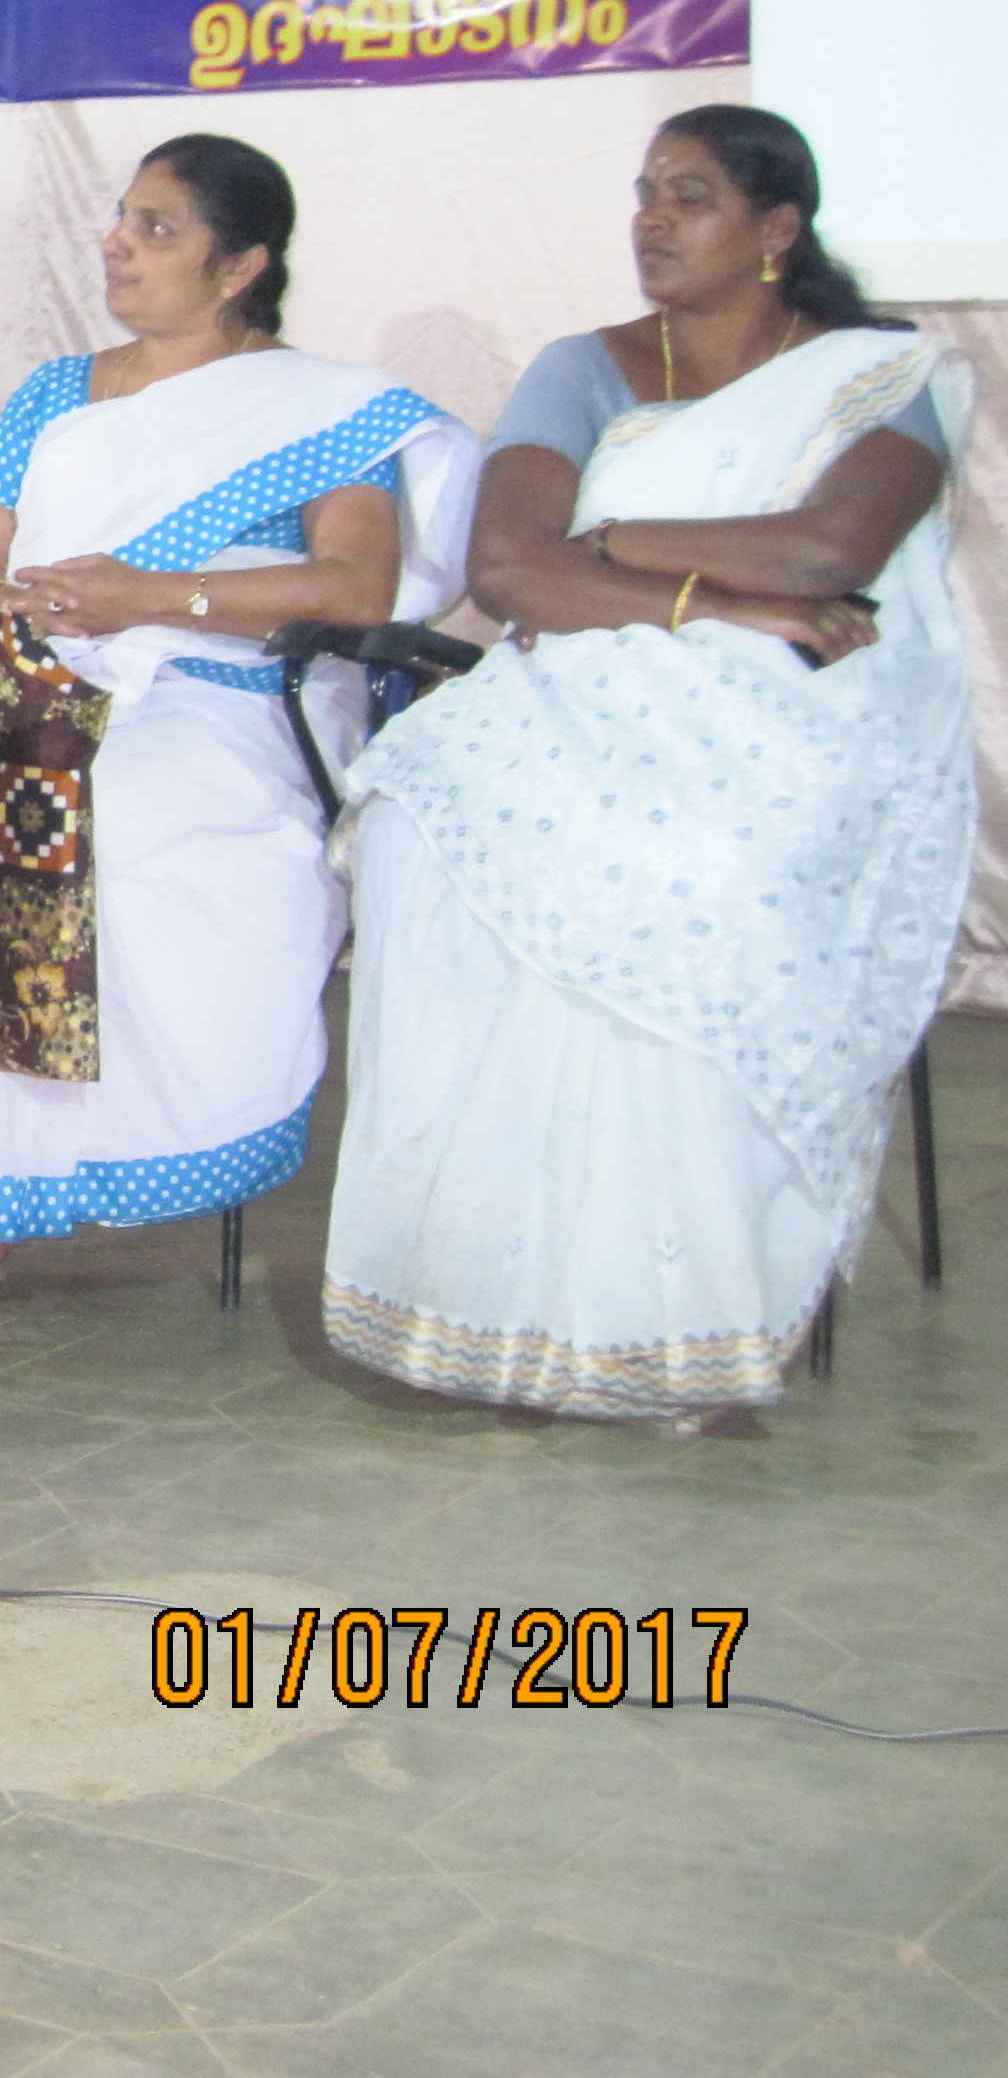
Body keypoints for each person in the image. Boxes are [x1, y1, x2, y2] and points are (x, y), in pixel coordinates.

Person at [324, 108, 970, 1424]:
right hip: (594, 674)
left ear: (776, 228)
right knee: (418, 824)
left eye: (690, 194)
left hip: (810, 701)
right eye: (644, 193)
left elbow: (828, 553)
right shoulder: (585, 365)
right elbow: (510, 569)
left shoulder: (887, 373)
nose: (652, 220)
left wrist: (615, 536)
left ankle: (663, 1317)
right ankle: (485, 1293)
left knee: (693, 857)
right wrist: (714, 598)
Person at [0, 135, 477, 1298]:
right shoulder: (56, 393)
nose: (117, 243)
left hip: (219, 692)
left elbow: (355, 586)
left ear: (239, 265)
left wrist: (146, 599)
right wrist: (7, 604)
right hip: (34, 675)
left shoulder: (326, 408)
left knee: (87, 817)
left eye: (156, 228)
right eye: (120, 218)